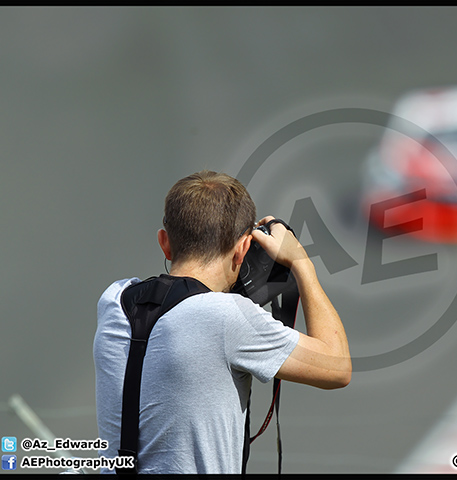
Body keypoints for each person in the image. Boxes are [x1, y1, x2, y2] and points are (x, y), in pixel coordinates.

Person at [93, 170, 351, 474]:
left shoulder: (114, 301)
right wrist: (300, 263)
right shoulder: (229, 319)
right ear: (243, 249)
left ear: (164, 243)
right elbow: (337, 367)